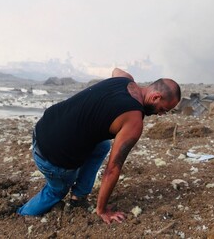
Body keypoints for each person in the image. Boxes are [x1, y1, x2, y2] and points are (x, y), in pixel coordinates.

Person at [17, 68, 181, 224]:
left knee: (102, 146)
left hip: (42, 129)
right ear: (155, 97)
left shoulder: (124, 79)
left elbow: (116, 69)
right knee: (56, 191)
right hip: (52, 156)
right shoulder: (134, 120)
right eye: (163, 109)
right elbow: (113, 169)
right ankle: (22, 214)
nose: (160, 114)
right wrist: (102, 210)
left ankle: (79, 197)